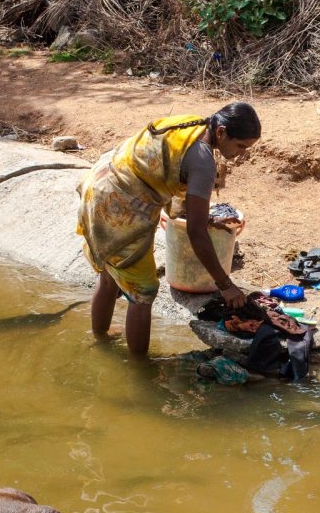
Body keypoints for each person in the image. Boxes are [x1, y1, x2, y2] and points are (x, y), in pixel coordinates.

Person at [77, 103, 260, 355]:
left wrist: (205, 218)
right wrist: (225, 284)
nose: (241, 154)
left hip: (100, 184)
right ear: (222, 133)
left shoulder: (194, 126)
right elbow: (196, 234)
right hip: (117, 206)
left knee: (110, 276)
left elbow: (167, 175)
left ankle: (100, 341)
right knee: (144, 292)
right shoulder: (203, 159)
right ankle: (140, 370)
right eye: (240, 146)